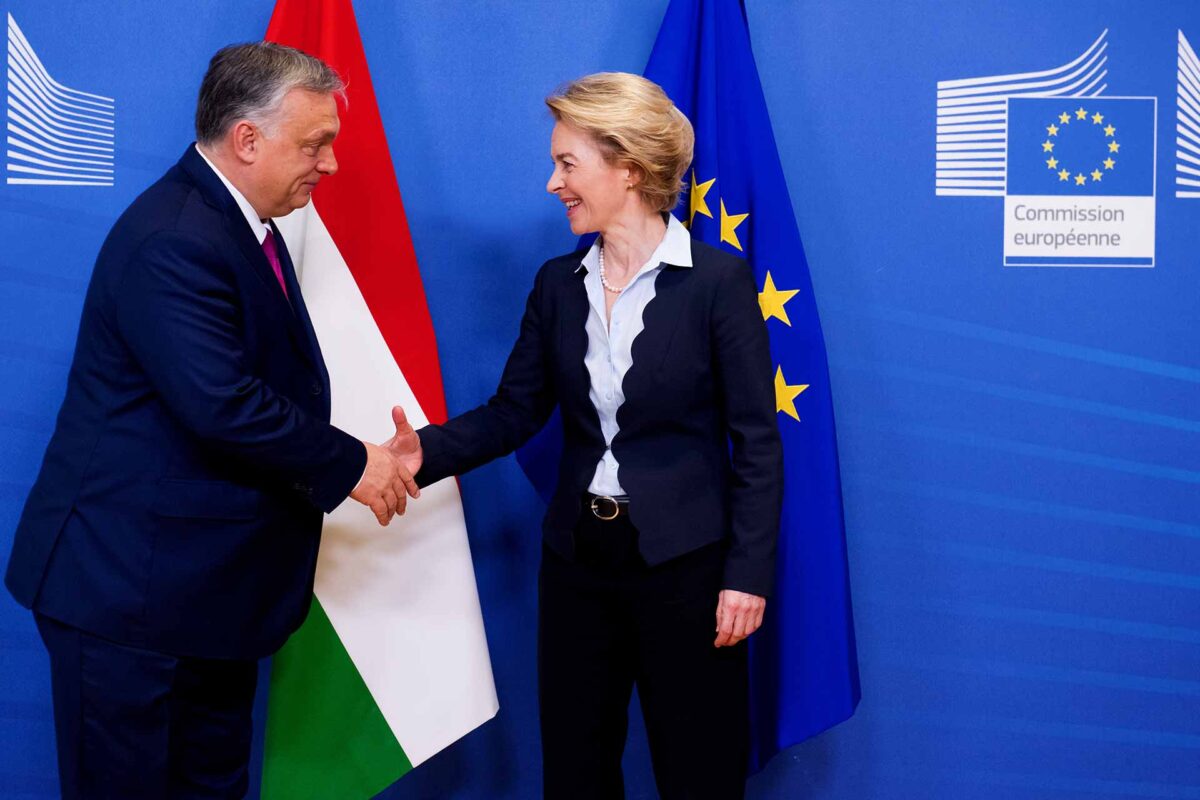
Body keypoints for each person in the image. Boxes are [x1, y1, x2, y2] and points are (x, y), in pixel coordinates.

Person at [4, 42, 419, 799]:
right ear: (248, 139)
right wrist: (356, 464)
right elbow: (220, 403)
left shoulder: (239, 224)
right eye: (315, 143)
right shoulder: (176, 237)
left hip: (201, 604)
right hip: (130, 604)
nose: (329, 164)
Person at [388, 72, 782, 799]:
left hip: (687, 570)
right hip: (578, 563)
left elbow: (757, 442)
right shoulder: (556, 284)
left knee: (700, 772)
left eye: (567, 163)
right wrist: (426, 451)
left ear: (628, 168)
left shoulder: (717, 285)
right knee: (575, 772)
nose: (552, 183)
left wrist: (747, 576)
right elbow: (514, 410)